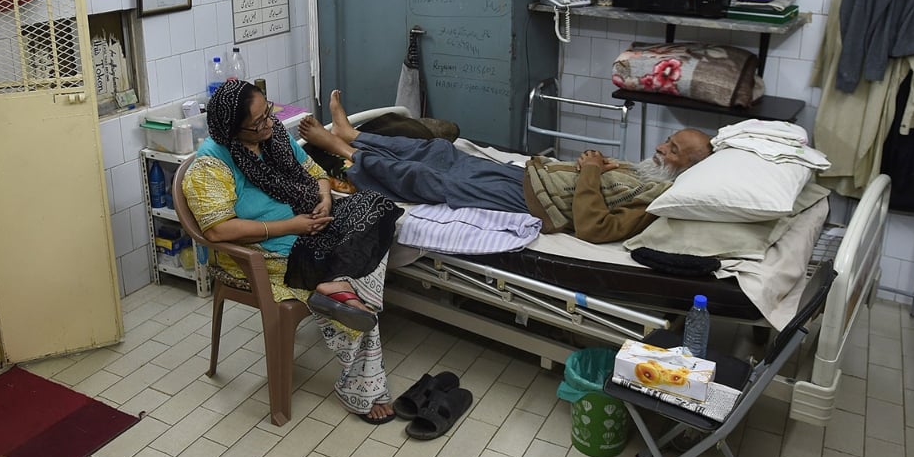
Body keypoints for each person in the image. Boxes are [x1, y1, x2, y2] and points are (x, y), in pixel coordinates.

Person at [182, 80, 402, 424]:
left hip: (311, 230)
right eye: (257, 123)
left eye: (268, 112)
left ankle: (336, 286)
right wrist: (292, 226)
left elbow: (318, 176)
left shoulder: (276, 140)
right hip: (270, 254)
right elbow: (217, 229)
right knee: (358, 277)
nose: (268, 124)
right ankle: (362, 388)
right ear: (232, 130)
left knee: (378, 207)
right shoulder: (211, 166)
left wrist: (324, 200)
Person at [298, 90, 713, 243]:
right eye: (668, 141)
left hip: (535, 203)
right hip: (533, 177)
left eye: (673, 149)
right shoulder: (643, 176)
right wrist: (599, 166)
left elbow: (595, 228)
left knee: (432, 178)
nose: (661, 147)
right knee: (442, 153)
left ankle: (345, 151)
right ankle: (354, 136)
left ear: (687, 169)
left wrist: (589, 171)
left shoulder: (652, 200)